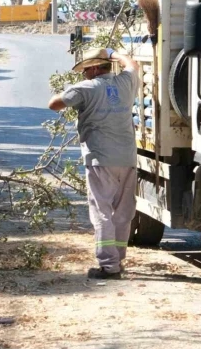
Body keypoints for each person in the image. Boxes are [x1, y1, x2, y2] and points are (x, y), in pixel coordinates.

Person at [48, 48, 140, 280]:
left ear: (96, 68)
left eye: (86, 69)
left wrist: (70, 90)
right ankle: (118, 260)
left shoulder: (86, 88)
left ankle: (109, 266)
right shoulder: (126, 83)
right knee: (122, 212)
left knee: (102, 211)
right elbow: (133, 65)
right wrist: (115, 53)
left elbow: (54, 104)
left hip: (101, 160)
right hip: (127, 159)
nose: (84, 74)